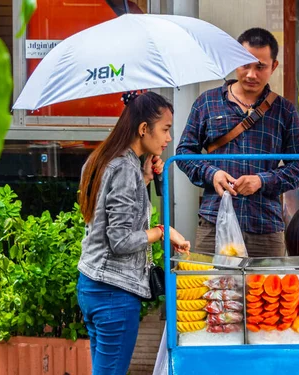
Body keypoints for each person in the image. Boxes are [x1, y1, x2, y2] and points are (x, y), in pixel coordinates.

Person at [77, 91, 190, 374]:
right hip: (114, 294)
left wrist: (146, 178)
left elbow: (106, 218)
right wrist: (161, 232)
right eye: (164, 129)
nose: (167, 139)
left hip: (92, 286)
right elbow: (121, 240)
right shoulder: (124, 169)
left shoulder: (101, 159)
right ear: (143, 129)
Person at [176, 27, 299, 257]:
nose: (251, 74)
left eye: (260, 66)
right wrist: (212, 174)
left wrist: (262, 181)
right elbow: (184, 153)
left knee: (268, 292)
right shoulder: (207, 103)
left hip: (265, 227)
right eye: (245, 64)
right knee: (210, 289)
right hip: (213, 221)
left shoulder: (284, 111)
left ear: (273, 66)